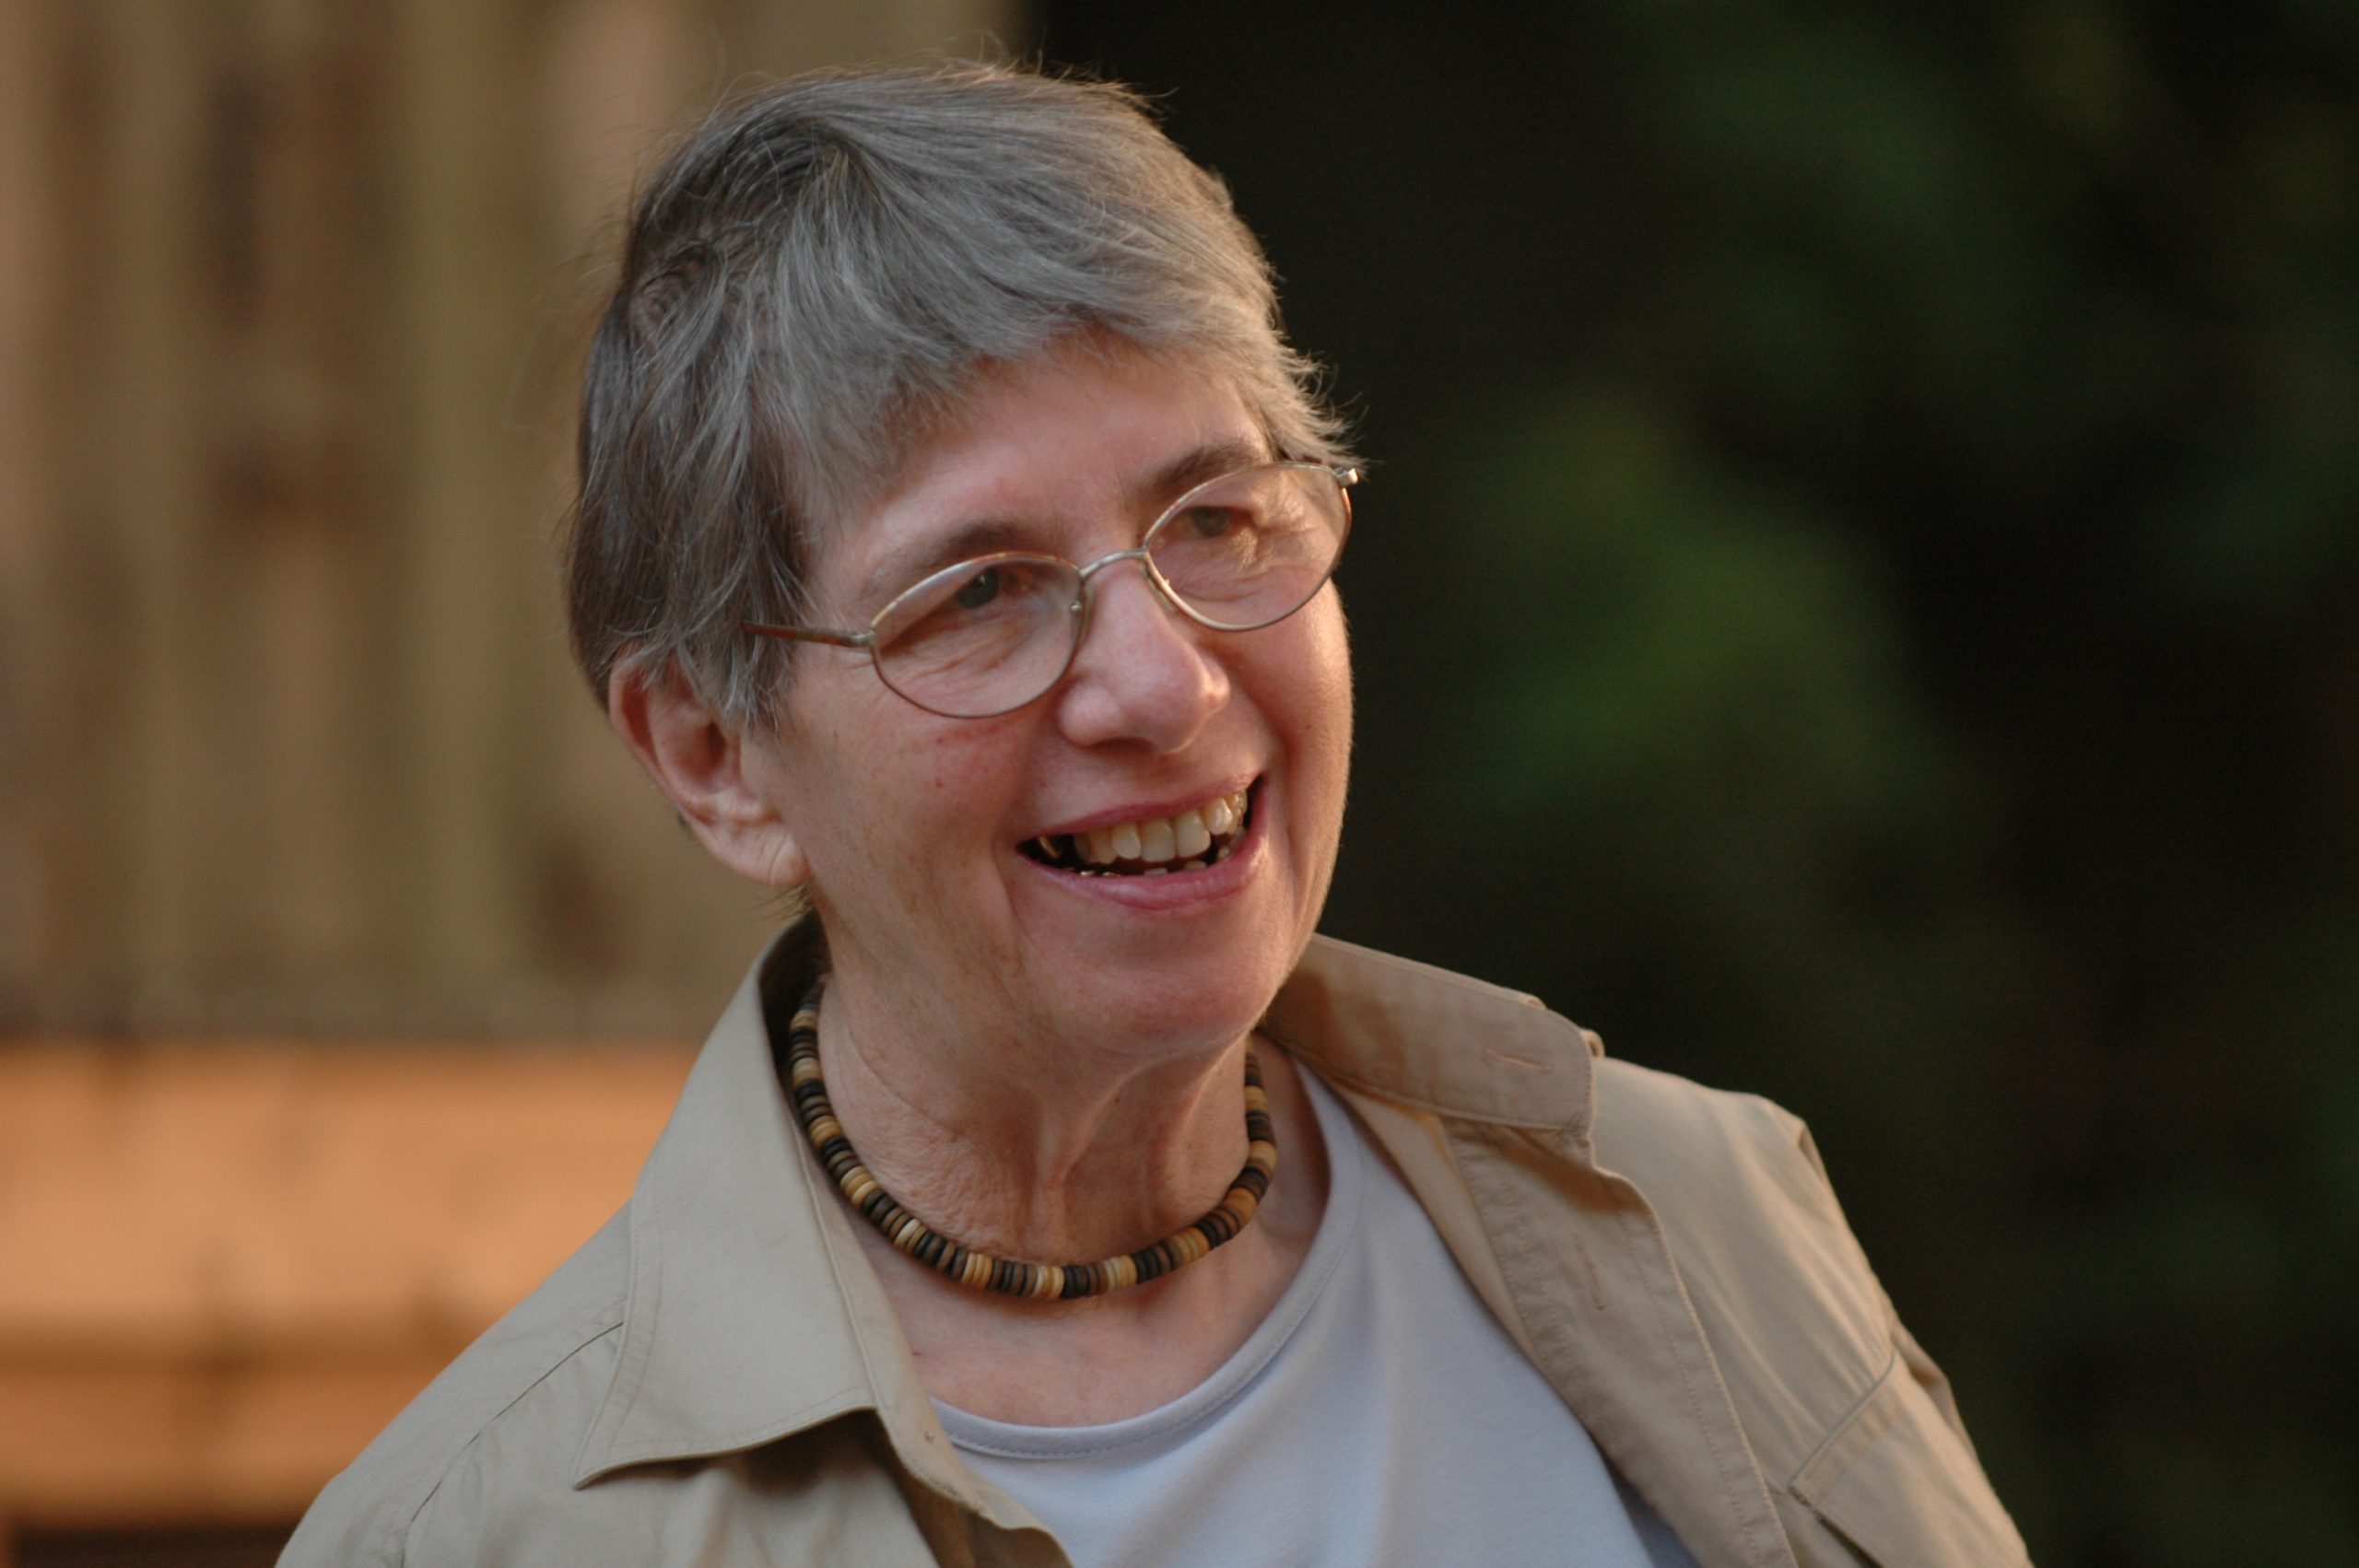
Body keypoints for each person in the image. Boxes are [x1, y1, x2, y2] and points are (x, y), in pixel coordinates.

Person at [282, 62, 2026, 1568]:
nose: (1166, 685)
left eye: (1216, 518)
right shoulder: (484, 1530)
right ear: (715, 756)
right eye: (978, 591)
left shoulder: (1696, 1210)